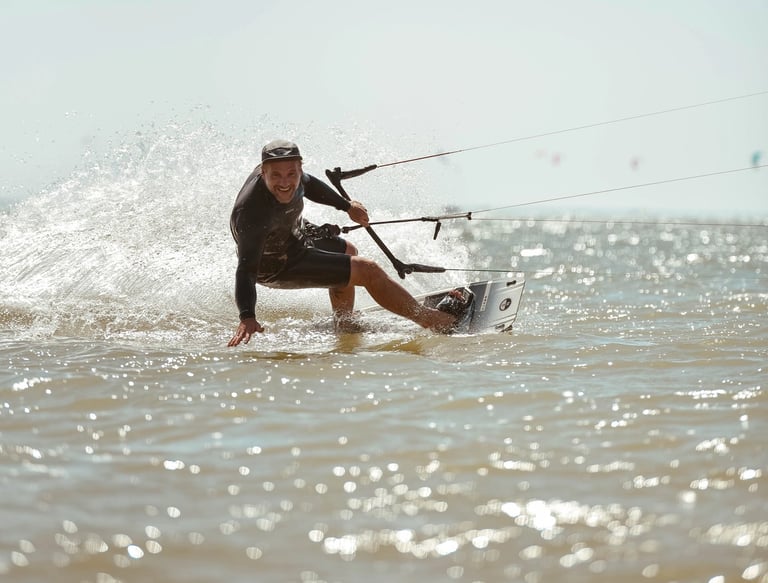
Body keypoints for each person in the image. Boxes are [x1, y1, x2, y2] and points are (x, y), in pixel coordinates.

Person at [227, 139, 471, 346]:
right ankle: (432, 320)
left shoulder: (296, 177)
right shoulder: (251, 214)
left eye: (292, 173)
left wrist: (347, 206)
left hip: (295, 238)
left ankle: (344, 322)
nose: (285, 182)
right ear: (262, 171)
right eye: (276, 176)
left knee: (348, 250)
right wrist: (247, 315)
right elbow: (246, 270)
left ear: (299, 168)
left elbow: (311, 186)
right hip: (275, 265)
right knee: (367, 270)